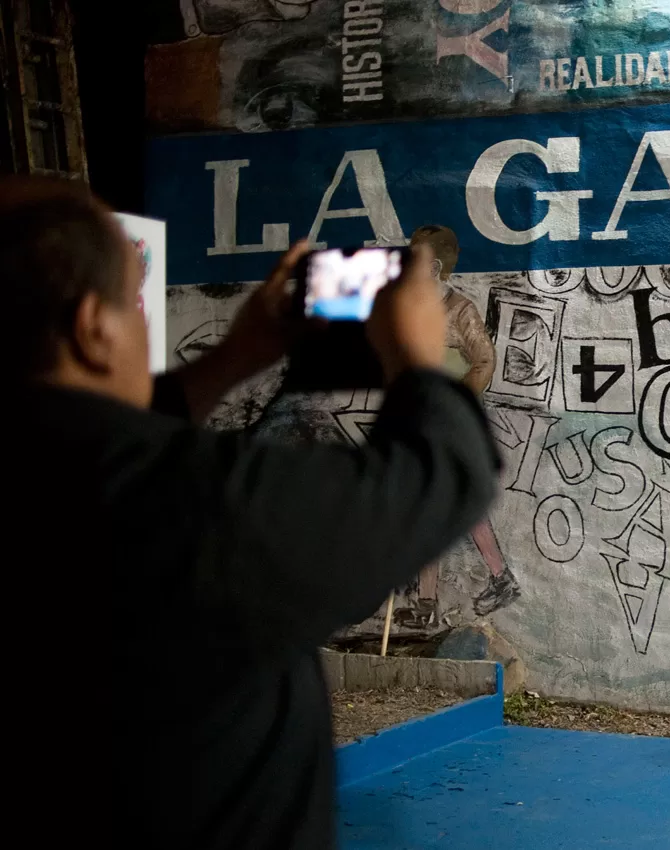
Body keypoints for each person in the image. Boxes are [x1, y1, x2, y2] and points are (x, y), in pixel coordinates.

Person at [3, 177, 498, 848]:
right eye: (135, 306)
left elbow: (104, 435)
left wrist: (234, 358)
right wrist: (414, 360)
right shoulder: (192, 505)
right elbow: (442, 475)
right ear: (94, 328)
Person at [407, 224, 521, 620]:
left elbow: (484, 361)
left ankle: (427, 601)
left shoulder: (459, 310)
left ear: (435, 266)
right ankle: (483, 581)